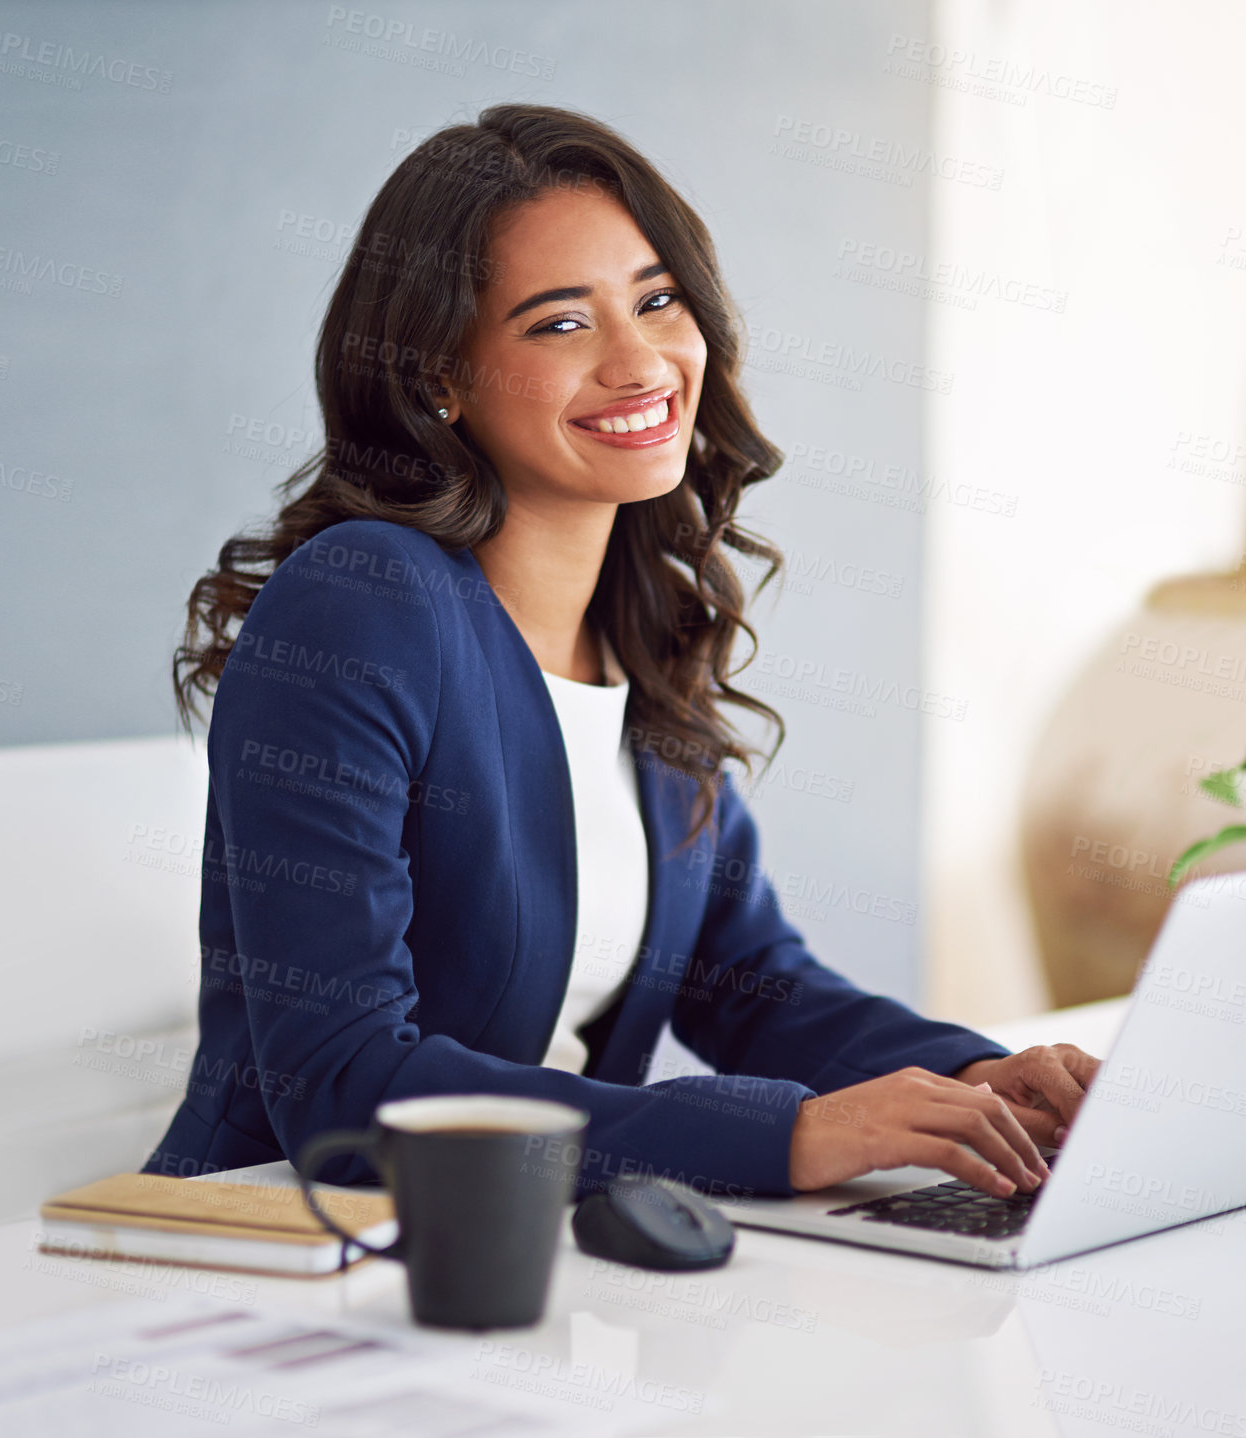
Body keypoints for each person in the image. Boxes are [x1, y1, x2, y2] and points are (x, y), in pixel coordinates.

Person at [142, 103, 1099, 1200]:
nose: (641, 362)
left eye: (657, 300)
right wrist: (784, 1138)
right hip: (275, 1261)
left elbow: (751, 983)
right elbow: (343, 1084)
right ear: (436, 377)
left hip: (538, 1266)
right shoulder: (365, 599)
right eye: (561, 324)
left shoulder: (642, 629)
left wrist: (982, 1076)